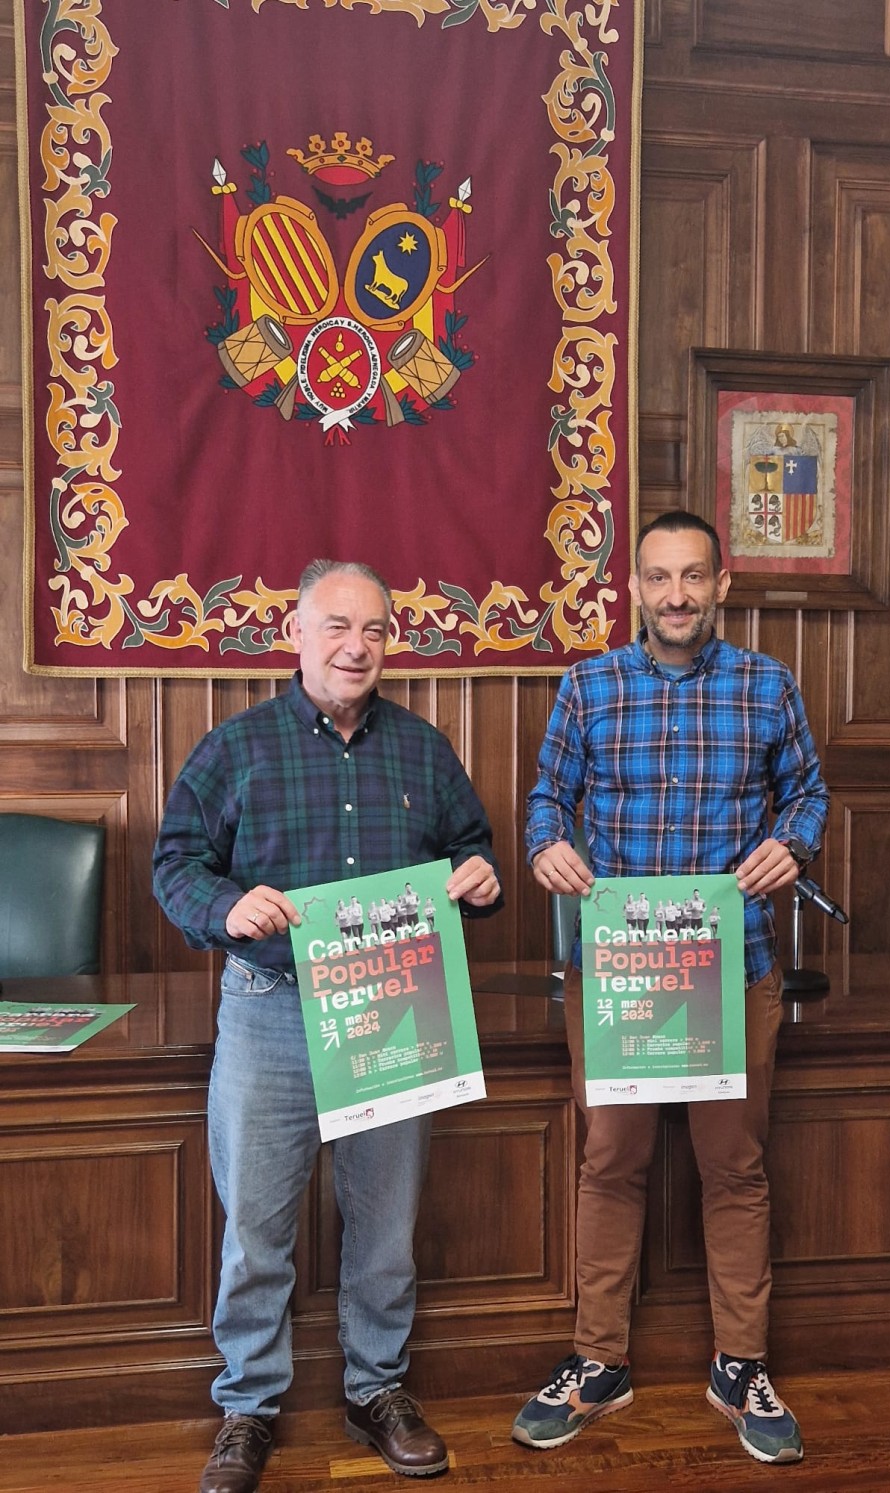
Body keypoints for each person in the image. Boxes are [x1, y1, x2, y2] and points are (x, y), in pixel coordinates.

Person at [153, 559, 502, 1493]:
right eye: (338, 627)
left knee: (386, 1227)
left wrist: (481, 878)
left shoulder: (425, 750)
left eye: (376, 630)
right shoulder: (235, 748)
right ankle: (248, 1405)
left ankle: (377, 1388)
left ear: (392, 641)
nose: (358, 647)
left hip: (396, 1008)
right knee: (255, 1231)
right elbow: (176, 862)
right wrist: (226, 910)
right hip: (270, 1015)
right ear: (296, 636)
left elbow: (472, 848)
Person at [514, 510, 828, 1466]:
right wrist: (546, 848)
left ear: (721, 585)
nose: (677, 594)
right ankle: (598, 1361)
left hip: (733, 968)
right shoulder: (588, 686)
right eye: (659, 577)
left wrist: (793, 841)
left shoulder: (767, 686)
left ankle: (741, 1364)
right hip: (620, 974)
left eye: (694, 576)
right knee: (611, 1165)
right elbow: (545, 802)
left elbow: (807, 791)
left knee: (735, 1170)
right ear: (634, 588)